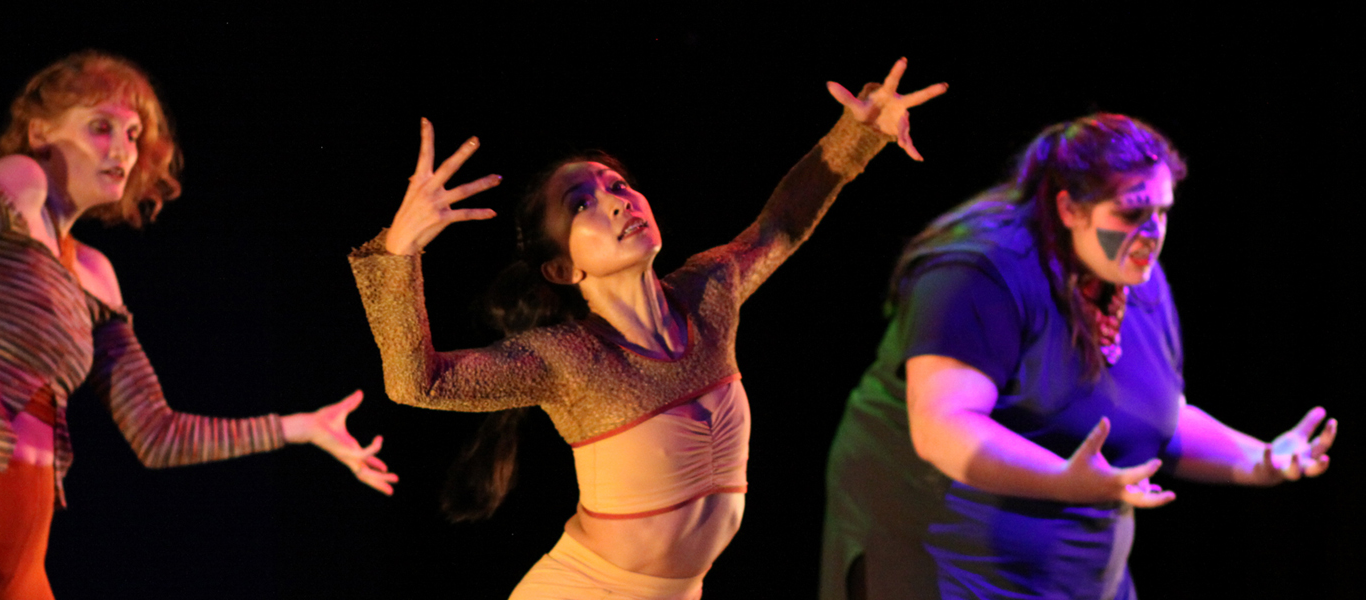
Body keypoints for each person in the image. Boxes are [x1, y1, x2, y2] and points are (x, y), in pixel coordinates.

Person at [350, 58, 945, 599]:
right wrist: (397, 252)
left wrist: (861, 132)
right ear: (564, 268)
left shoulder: (709, 293)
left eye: (616, 185)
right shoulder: (567, 358)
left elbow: (783, 223)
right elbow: (417, 384)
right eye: (581, 204)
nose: (614, 201)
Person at [0, 50, 398, 600]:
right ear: (39, 130)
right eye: (101, 127)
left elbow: (157, 433)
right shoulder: (16, 186)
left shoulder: (96, 275)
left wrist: (300, 427)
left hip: (24, 562)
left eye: (133, 133)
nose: (123, 149)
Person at [819, 113, 1338, 600]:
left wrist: (1258, 460)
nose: (1154, 233)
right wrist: (1062, 479)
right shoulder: (979, 274)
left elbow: (1157, 416)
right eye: (1133, 212)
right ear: (1070, 208)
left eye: (1162, 211)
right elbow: (944, 425)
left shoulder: (1138, 277)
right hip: (939, 551)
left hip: (1074, 563)